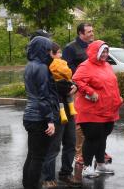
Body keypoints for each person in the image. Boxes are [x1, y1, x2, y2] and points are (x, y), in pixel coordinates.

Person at [72, 40, 123, 178]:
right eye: (102, 51)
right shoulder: (85, 66)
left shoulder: (106, 65)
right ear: (95, 52)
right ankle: (87, 167)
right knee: (92, 138)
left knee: (102, 138)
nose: (105, 54)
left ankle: (100, 165)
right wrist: (90, 91)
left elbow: (111, 85)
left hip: (108, 110)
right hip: (91, 111)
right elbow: (76, 80)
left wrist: (118, 99)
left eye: (106, 52)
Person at [41, 42, 81, 188]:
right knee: (54, 146)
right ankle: (48, 178)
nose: (61, 56)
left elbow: (72, 79)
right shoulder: (44, 69)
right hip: (55, 111)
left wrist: (75, 86)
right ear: (51, 54)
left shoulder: (62, 67)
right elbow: (44, 90)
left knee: (70, 142)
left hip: (69, 110)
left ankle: (65, 173)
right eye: (58, 53)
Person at [22, 36, 58, 189]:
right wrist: (49, 120)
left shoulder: (30, 65)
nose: (50, 53)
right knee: (38, 158)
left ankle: (27, 185)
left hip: (29, 115)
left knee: (32, 155)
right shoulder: (42, 68)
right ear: (42, 50)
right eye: (48, 50)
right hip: (39, 118)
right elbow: (44, 96)